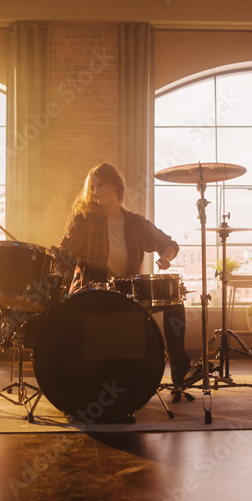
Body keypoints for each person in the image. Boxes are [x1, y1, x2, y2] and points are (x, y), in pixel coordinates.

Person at [58, 163, 192, 386]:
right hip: (91, 293)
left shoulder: (136, 223)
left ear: (116, 185)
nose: (95, 191)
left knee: (175, 299)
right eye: (92, 187)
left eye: (100, 185)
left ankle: (179, 363)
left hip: (127, 296)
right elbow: (64, 254)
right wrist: (58, 258)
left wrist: (166, 259)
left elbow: (169, 244)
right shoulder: (84, 221)